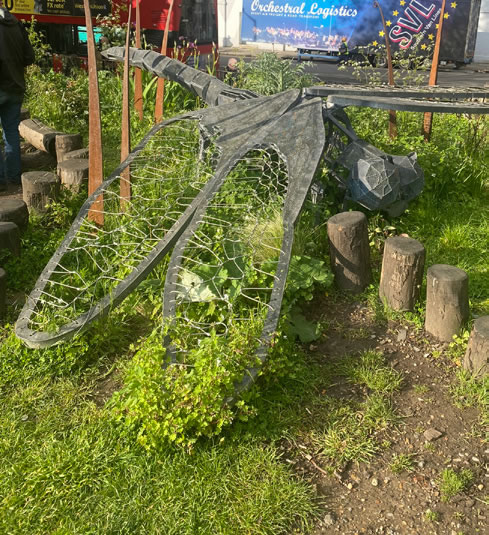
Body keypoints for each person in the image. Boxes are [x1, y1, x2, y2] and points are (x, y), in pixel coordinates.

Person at [0, 1, 35, 191]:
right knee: (11, 133)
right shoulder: (17, 24)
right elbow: (30, 57)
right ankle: (13, 178)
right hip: (15, 88)